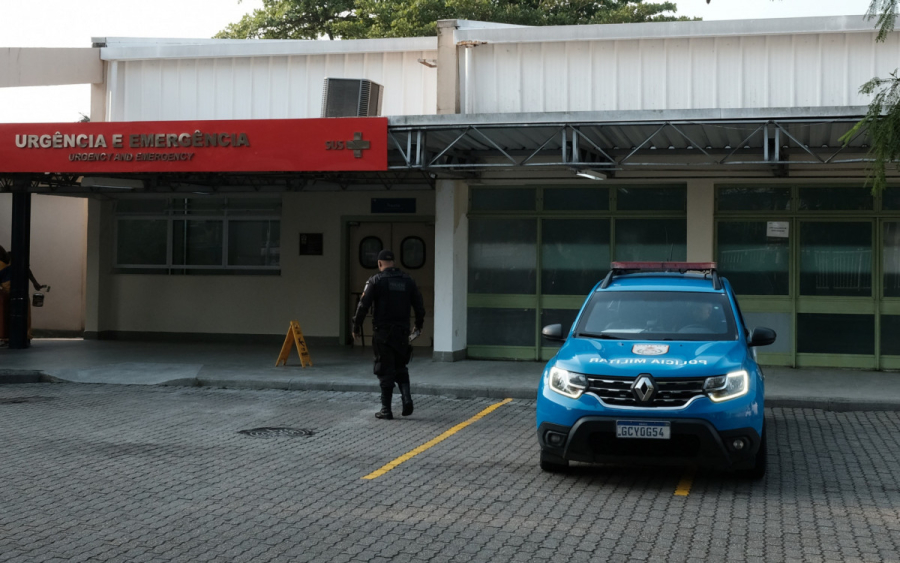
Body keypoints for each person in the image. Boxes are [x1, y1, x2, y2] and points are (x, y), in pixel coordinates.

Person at [352, 249, 426, 420]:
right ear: (393, 262)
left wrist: (356, 326)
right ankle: (407, 399)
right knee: (400, 366)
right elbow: (419, 305)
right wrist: (418, 325)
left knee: (384, 369)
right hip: (402, 333)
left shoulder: (375, 281)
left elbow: (363, 305)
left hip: (383, 333)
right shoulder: (408, 281)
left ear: (379, 264)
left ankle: (386, 409)